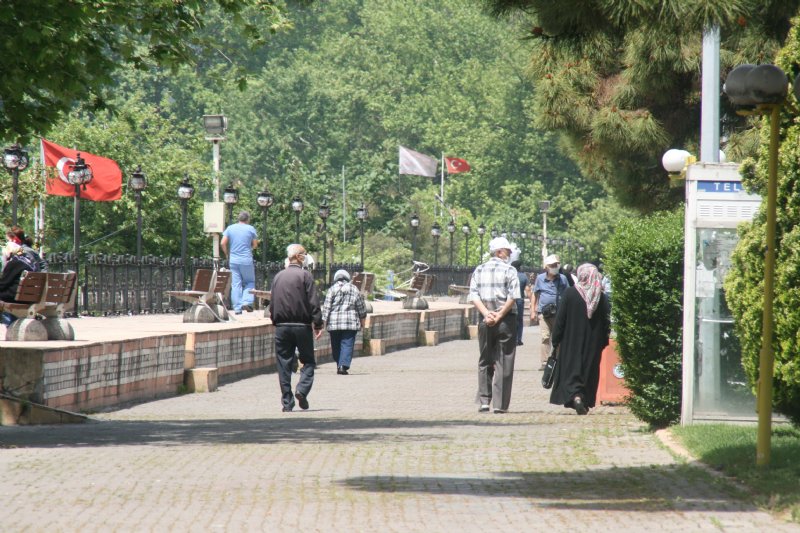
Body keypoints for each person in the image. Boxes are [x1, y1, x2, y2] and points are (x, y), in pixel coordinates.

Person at [549, 263, 611, 415]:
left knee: (571, 370)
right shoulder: (600, 297)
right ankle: (583, 397)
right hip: (593, 342)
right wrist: (604, 341)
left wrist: (556, 339)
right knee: (588, 370)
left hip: (570, 341)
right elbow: (606, 322)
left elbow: (560, 319)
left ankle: (575, 396)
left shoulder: (570, 293)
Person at [468, 236, 521, 414]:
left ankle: (484, 400)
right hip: (505, 319)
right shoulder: (510, 270)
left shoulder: (479, 270)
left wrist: (486, 314)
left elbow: (474, 295)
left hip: (485, 319)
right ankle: (499, 404)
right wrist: (499, 315)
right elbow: (513, 296)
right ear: (499, 252)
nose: (510, 253)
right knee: (504, 359)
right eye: (507, 250)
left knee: (484, 358)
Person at [269, 243, 324, 412]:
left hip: (282, 327)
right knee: (308, 361)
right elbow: (313, 302)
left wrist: (275, 321)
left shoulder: (278, 276)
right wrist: (318, 323)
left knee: (283, 364)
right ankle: (302, 389)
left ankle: (287, 402)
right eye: (305, 254)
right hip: (302, 326)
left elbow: (272, 303)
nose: (306, 257)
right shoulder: (305, 276)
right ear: (299, 257)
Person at [322, 269, 367, 375]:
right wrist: (362, 320)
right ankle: (343, 365)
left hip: (334, 324)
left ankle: (339, 364)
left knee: (336, 345)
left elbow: (326, 308)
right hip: (350, 323)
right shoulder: (354, 289)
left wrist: (323, 323)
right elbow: (361, 307)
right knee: (347, 344)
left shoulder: (332, 289)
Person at [532, 254, 569, 370]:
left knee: (558, 338)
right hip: (544, 314)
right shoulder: (540, 278)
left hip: (559, 314)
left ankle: (558, 361)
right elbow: (535, 294)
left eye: (556, 265)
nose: (555, 267)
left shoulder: (563, 279)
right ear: (547, 267)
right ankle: (544, 362)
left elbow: (568, 294)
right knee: (545, 337)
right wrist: (533, 310)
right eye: (552, 265)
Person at [221, 211, 258, 315]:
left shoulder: (230, 228)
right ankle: (247, 301)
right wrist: (250, 247)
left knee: (236, 284)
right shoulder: (250, 229)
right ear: (248, 219)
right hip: (246, 259)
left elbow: (222, 243)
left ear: (239, 218)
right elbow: (255, 245)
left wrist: (227, 254)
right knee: (249, 281)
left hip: (233, 260)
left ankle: (237, 308)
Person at [0, 241, 38, 325]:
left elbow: (3, 284)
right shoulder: (30, 262)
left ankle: (10, 324)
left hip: (16, 297)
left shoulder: (14, 262)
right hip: (28, 296)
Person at [510, 247, 531, 346]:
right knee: (519, 320)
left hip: (510, 299)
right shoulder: (523, 276)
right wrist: (531, 300)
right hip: (520, 300)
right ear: (520, 267)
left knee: (511, 319)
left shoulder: (510, 275)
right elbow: (527, 289)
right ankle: (519, 339)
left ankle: (511, 338)